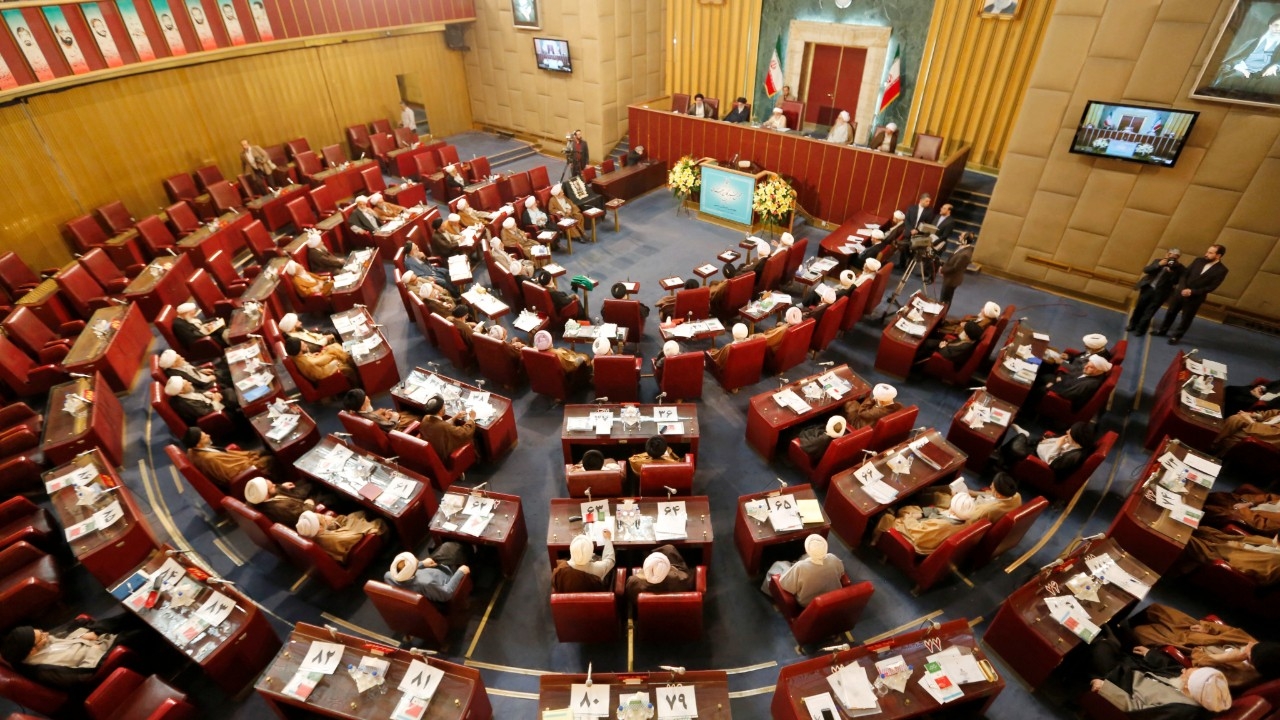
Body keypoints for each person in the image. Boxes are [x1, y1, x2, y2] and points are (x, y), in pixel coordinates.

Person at [1088, 625, 1232, 717]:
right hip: (1143, 667)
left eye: (1186, 674)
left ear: (1190, 688)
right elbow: (1172, 668)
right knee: (1124, 629)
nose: (1183, 671)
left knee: (1101, 647)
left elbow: (1137, 710)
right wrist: (1150, 654)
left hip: (1123, 683)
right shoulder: (1196, 689)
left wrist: (1106, 689)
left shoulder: (1180, 711)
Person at [1127, 604, 1280, 689]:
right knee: (1156, 609)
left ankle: (1123, 631)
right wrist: (1208, 627)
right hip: (1200, 633)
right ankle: (1131, 616)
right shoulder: (1258, 647)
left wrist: (1223, 658)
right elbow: (1233, 631)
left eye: (1250, 649)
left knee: (1140, 632)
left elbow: (1199, 665)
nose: (1250, 644)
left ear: (1251, 660)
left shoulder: (1239, 679)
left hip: (1188, 647)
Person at [873, 473, 1022, 554]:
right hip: (953, 516)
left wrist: (909, 517)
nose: (990, 486)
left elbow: (918, 532)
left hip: (920, 540)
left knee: (893, 515)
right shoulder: (1015, 496)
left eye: (992, 486)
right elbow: (942, 514)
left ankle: (876, 540)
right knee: (914, 509)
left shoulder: (980, 512)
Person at [1, 613, 140, 690]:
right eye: (41, 636)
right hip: (100, 659)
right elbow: (83, 678)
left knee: (127, 616)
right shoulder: (45, 671)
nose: (46, 634)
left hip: (88, 640)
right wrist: (94, 651)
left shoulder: (40, 643)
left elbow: (63, 633)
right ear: (32, 650)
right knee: (136, 633)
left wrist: (83, 635)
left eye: (41, 631)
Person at [1154, 245, 1228, 345]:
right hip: (1180, 292)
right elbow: (1185, 274)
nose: (1206, 254)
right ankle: (1162, 330)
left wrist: (1192, 291)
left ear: (1218, 255)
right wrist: (1183, 287)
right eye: (1207, 251)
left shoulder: (1222, 270)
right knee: (1170, 312)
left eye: (1210, 253)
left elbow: (1211, 287)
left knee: (1186, 318)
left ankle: (1176, 336)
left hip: (1195, 298)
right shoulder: (1198, 260)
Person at [997, 421, 1096, 480]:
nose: (1067, 432)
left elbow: (1051, 464)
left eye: (1070, 432)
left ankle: (1001, 458)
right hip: (1038, 448)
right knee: (1022, 441)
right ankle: (1023, 438)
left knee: (1016, 445)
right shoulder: (1074, 443)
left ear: (1075, 437)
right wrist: (1051, 441)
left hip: (1037, 458)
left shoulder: (1074, 456)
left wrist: (1058, 445)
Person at [183, 427, 275, 487]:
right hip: (241, 477)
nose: (209, 435)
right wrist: (252, 459)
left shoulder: (192, 450)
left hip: (239, 464)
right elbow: (232, 472)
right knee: (269, 459)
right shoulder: (210, 459)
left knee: (263, 452)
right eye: (205, 437)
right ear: (198, 444)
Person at [1211, 13, 1280, 92]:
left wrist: (1276, 66)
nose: (1278, 29)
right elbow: (1237, 58)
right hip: (1243, 69)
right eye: (1276, 25)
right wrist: (1240, 67)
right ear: (1270, 25)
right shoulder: (1253, 42)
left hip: (1262, 74)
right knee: (1232, 79)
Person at [772, 534, 844, 607]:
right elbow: (841, 572)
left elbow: (785, 585)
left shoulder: (800, 566)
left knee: (777, 565)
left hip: (807, 603)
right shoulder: (833, 558)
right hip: (832, 597)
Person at [385, 544, 471, 602]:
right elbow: (446, 594)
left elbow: (405, 571)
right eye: (415, 562)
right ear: (413, 570)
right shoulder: (426, 583)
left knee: (447, 547)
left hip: (432, 570)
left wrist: (422, 564)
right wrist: (460, 572)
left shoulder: (388, 576)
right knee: (458, 550)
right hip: (448, 575)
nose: (416, 559)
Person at [296, 509, 387, 564]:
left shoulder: (314, 534)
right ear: (319, 528)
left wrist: (332, 523)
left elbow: (336, 524)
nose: (324, 517)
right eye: (323, 518)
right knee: (378, 522)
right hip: (352, 544)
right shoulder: (332, 539)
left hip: (344, 533)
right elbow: (356, 536)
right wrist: (356, 523)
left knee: (359, 513)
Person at [1128, 248, 1186, 335]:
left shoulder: (1180, 268)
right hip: (1148, 288)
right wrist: (1158, 265)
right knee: (1139, 308)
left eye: (1174, 257)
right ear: (1166, 254)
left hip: (1161, 293)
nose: (1171, 258)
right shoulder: (1158, 261)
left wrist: (1171, 273)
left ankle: (1140, 329)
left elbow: (1176, 282)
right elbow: (1146, 270)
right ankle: (1132, 325)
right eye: (1169, 255)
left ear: (1178, 258)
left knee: (1150, 311)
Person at [244, 476, 331, 526]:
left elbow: (272, 492)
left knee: (306, 482)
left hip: (293, 504)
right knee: (327, 494)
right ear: (266, 495)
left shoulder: (254, 499)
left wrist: (282, 487)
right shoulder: (280, 508)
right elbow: (305, 512)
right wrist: (310, 500)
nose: (275, 485)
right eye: (273, 487)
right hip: (305, 515)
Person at [625, 545, 695, 606]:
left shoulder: (634, 583)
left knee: (667, 549)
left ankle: (650, 555)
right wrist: (672, 569)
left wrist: (643, 574)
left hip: (648, 610)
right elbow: (685, 577)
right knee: (669, 549)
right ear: (668, 568)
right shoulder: (681, 580)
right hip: (675, 605)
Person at [417, 394, 476, 458]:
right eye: (443, 406)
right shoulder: (444, 427)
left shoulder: (426, 418)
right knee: (473, 439)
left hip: (428, 451)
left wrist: (454, 418)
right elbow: (464, 432)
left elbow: (439, 423)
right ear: (440, 411)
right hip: (440, 455)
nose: (444, 407)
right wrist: (471, 419)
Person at [343, 389, 418, 433]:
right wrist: (395, 416)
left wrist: (383, 416)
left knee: (407, 413)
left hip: (385, 424)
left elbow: (373, 417)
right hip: (395, 430)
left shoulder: (356, 413)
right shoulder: (371, 419)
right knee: (416, 417)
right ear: (362, 408)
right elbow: (391, 426)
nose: (368, 398)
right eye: (366, 400)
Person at [1212, 408, 1280, 454]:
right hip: (1259, 426)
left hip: (1265, 438)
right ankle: (1214, 441)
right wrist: (1255, 415)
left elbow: (1272, 433)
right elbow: (1274, 413)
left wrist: (1250, 421)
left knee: (1238, 428)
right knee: (1237, 418)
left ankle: (1215, 446)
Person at [158, 348, 228, 390]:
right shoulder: (176, 374)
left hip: (202, 377)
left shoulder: (178, 365)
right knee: (225, 375)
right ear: (173, 364)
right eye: (180, 358)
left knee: (224, 371)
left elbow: (190, 368)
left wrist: (201, 370)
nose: (183, 358)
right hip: (203, 386)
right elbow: (196, 381)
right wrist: (210, 378)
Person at [938, 232, 974, 306]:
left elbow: (955, 268)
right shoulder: (962, 247)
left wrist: (943, 270)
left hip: (952, 280)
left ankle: (943, 312)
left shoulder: (965, 254)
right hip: (949, 277)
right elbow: (951, 260)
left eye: (961, 236)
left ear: (965, 240)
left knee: (945, 301)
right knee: (944, 299)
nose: (959, 237)